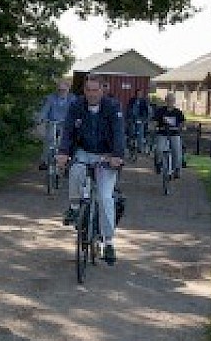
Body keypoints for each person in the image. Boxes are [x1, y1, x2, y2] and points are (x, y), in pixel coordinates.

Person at [55, 75, 126, 266]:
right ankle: (75, 208)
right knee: (76, 170)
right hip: (84, 151)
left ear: (103, 90)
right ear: (84, 90)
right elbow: (68, 131)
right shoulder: (76, 106)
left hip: (106, 156)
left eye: (96, 90)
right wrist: (63, 153)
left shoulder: (113, 107)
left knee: (104, 197)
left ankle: (108, 242)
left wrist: (117, 156)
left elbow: (119, 132)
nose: (92, 94)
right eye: (88, 90)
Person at [37, 78, 76, 168]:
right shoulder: (51, 98)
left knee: (65, 140)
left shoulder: (72, 98)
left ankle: (67, 161)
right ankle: (45, 161)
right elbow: (45, 110)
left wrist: (76, 119)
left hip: (65, 124)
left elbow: (75, 111)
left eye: (64, 90)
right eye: (60, 90)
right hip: (52, 122)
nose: (61, 91)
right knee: (49, 139)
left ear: (68, 89)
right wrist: (40, 119)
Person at [153, 92, 186, 179]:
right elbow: (155, 121)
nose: (170, 102)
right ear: (166, 101)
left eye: (172, 100)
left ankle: (176, 169)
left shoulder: (178, 112)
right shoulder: (160, 111)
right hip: (162, 133)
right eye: (168, 100)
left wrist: (182, 127)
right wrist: (155, 126)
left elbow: (182, 123)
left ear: (174, 101)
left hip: (174, 134)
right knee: (159, 149)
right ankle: (158, 163)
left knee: (177, 151)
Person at [127, 88, 151, 154]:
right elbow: (128, 108)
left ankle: (140, 148)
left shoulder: (143, 101)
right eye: (137, 94)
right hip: (132, 118)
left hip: (140, 119)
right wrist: (129, 117)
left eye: (140, 94)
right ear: (135, 94)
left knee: (140, 133)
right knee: (131, 131)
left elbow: (146, 111)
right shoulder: (132, 100)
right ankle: (130, 145)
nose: (139, 95)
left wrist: (144, 119)